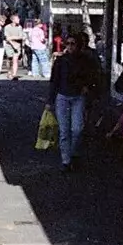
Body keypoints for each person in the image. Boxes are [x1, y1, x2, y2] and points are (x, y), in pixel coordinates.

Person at [48, 32, 100, 172]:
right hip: (63, 96)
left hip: (78, 96)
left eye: (73, 44)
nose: (70, 47)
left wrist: (87, 87)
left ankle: (73, 153)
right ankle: (66, 160)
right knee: (64, 130)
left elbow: (93, 76)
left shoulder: (85, 61)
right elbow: (54, 80)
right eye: (68, 43)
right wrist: (50, 100)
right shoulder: (61, 61)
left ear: (78, 45)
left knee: (77, 129)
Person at [3, 13, 26, 79]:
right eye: (17, 18)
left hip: (17, 46)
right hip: (9, 45)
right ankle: (9, 71)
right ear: (13, 20)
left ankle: (14, 74)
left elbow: (21, 36)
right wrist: (13, 43)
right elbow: (7, 38)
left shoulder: (20, 27)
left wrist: (12, 37)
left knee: (15, 60)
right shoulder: (7, 27)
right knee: (10, 60)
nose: (19, 19)